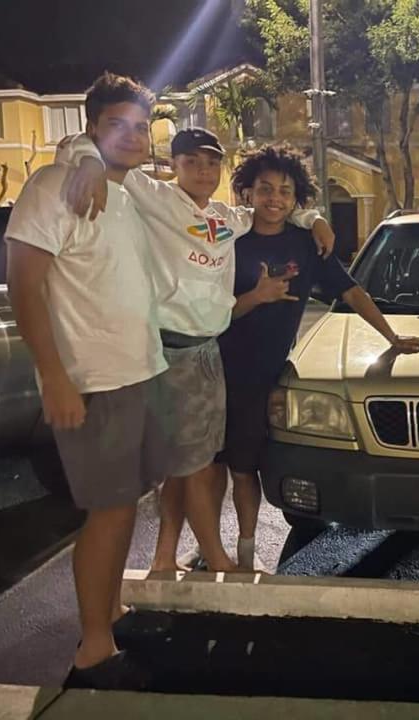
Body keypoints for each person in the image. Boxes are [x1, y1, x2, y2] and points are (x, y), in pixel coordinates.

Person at [58, 127, 336, 573]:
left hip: (209, 353)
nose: (203, 171)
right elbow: (93, 145)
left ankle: (169, 557)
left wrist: (315, 217)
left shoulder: (228, 217)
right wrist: (87, 159)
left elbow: (277, 211)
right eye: (192, 162)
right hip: (173, 351)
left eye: (211, 163)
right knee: (192, 466)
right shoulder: (156, 197)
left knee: (194, 463)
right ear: (174, 164)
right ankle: (213, 557)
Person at [6, 72, 165, 689]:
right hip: (93, 379)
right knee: (107, 511)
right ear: (93, 127)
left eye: (141, 127)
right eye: (117, 125)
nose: (133, 137)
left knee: (124, 506)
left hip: (138, 372)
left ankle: (111, 611)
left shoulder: (126, 192)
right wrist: (54, 376)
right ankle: (94, 646)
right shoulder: (55, 185)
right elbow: (25, 285)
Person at [216, 145, 419, 569]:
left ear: (296, 198)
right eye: (265, 189)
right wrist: (257, 297)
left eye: (284, 191)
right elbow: (211, 314)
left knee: (259, 465)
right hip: (225, 369)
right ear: (247, 192)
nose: (274, 199)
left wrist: (392, 335)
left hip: (276, 373)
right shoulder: (232, 243)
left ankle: (237, 552)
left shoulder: (306, 244)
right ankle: (240, 553)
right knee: (231, 467)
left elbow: (350, 290)